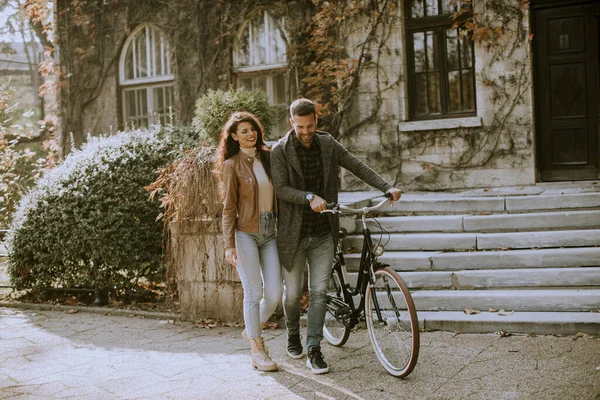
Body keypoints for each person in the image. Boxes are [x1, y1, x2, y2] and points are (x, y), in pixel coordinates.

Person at [271, 98, 402, 374]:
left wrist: (386, 187)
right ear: (291, 122)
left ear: (316, 121)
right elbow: (281, 188)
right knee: (293, 295)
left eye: (309, 126)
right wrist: (308, 197)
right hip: (293, 235)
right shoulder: (280, 150)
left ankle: (314, 349)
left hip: (323, 233)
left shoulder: (328, 144)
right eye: (300, 127)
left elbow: (357, 166)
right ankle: (293, 334)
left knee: (319, 292)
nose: (305, 132)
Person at [217, 111, 282, 372]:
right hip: (245, 234)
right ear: (234, 136)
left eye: (252, 129)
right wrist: (228, 244)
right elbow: (228, 208)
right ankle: (257, 350)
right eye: (243, 131)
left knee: (275, 294)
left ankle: (251, 327)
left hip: (270, 232)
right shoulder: (231, 165)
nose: (249, 134)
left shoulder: (268, 158)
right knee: (253, 293)